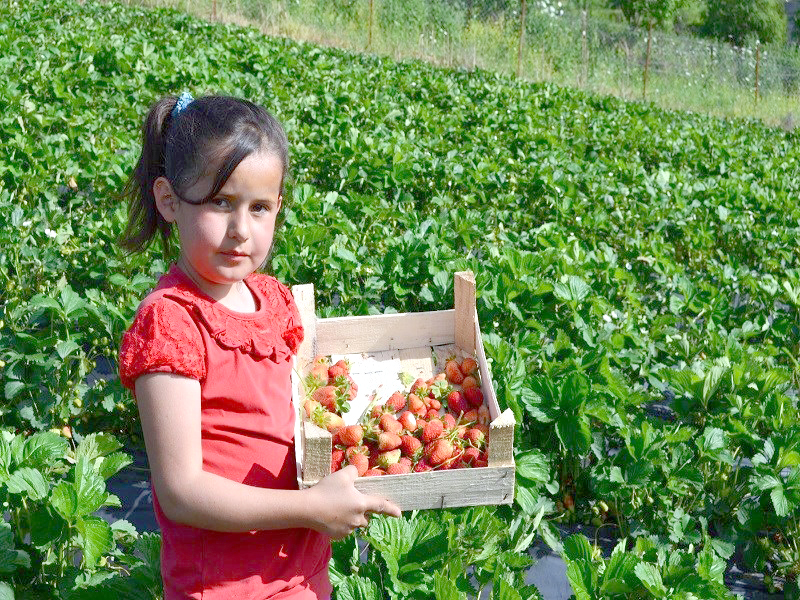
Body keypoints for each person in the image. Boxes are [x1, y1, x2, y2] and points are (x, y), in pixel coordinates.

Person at [118, 93, 401, 600]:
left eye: (259, 207)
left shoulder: (271, 299)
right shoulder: (171, 322)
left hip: (303, 572)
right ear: (169, 201)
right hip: (226, 586)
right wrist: (311, 508)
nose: (240, 230)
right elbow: (181, 491)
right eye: (221, 202)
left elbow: (296, 415)